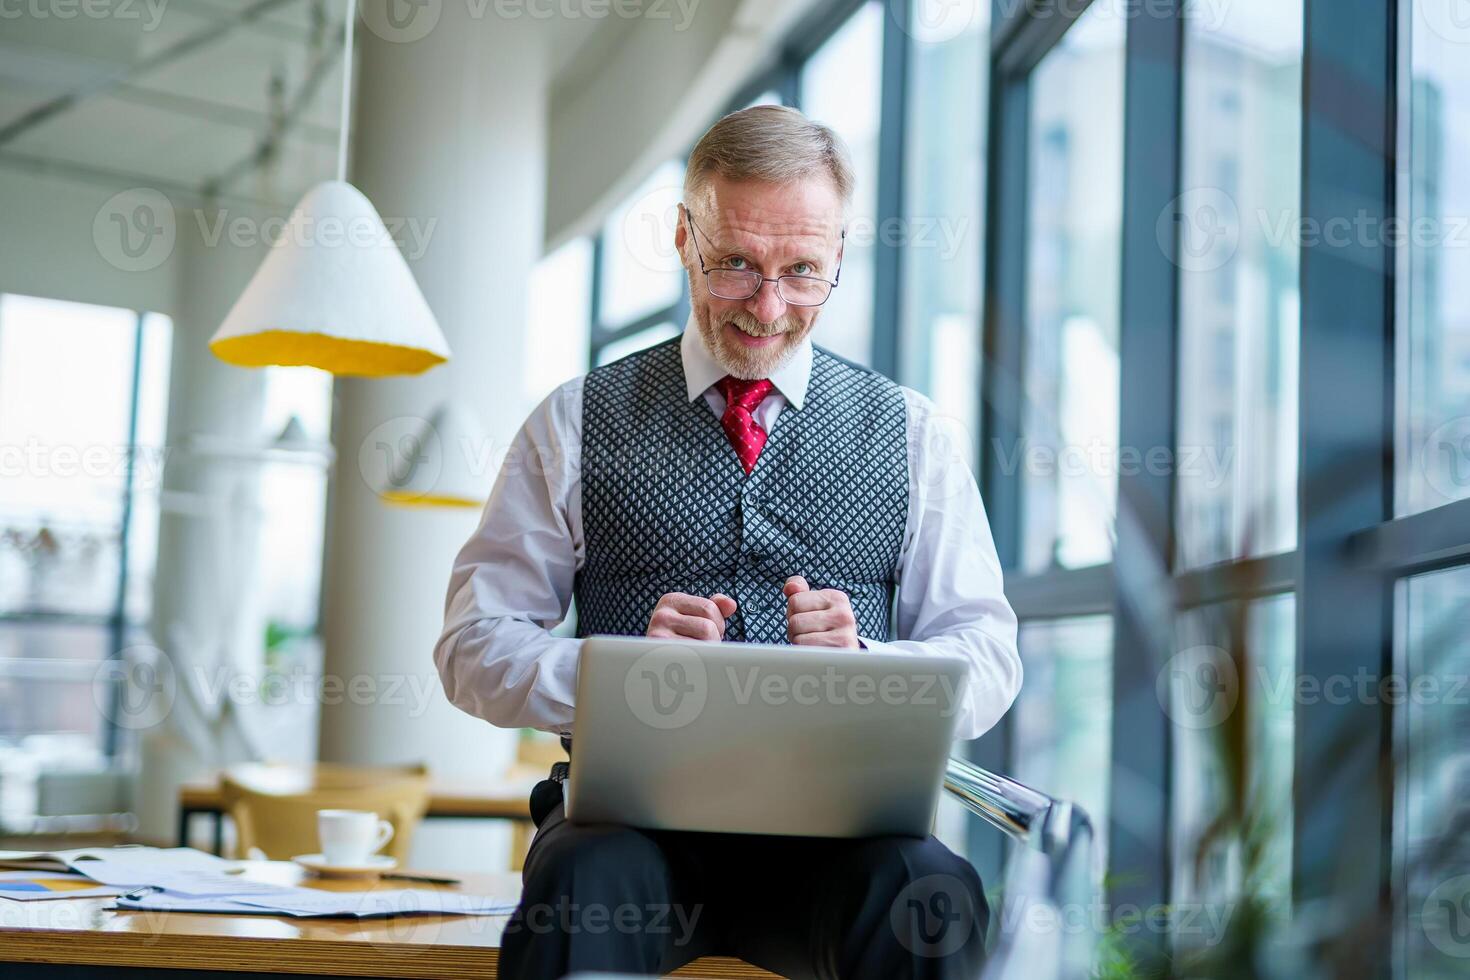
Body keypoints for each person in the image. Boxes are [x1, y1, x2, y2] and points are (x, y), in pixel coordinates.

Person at [434, 104, 1021, 980]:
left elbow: (990, 655)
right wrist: (614, 669)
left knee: (927, 891)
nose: (769, 306)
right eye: (736, 265)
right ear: (682, 237)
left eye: (802, 271)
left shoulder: (912, 434)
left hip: (840, 847)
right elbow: (470, 647)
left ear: (838, 261)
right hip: (630, 842)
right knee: (582, 880)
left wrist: (870, 662)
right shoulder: (572, 420)